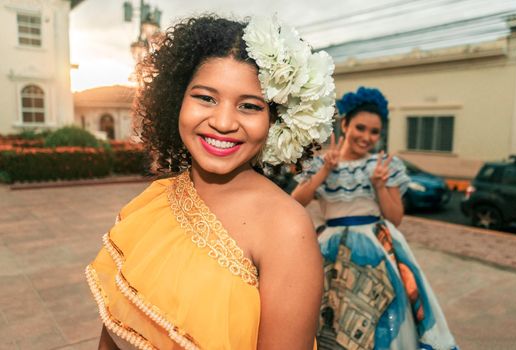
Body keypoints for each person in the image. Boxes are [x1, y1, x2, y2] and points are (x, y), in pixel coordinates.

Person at [85, 15, 337, 350]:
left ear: (274, 120)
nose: (222, 122)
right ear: (177, 100)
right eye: (205, 98)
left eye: (249, 106)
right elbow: (115, 331)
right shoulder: (156, 198)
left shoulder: (287, 229)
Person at [292, 87, 458, 350]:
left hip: (377, 249)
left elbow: (396, 218)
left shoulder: (384, 166)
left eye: (374, 132)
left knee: (380, 319)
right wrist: (325, 170)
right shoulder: (321, 163)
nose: (366, 137)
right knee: (326, 319)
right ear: (344, 124)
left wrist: (380, 185)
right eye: (360, 127)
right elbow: (296, 202)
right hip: (328, 251)